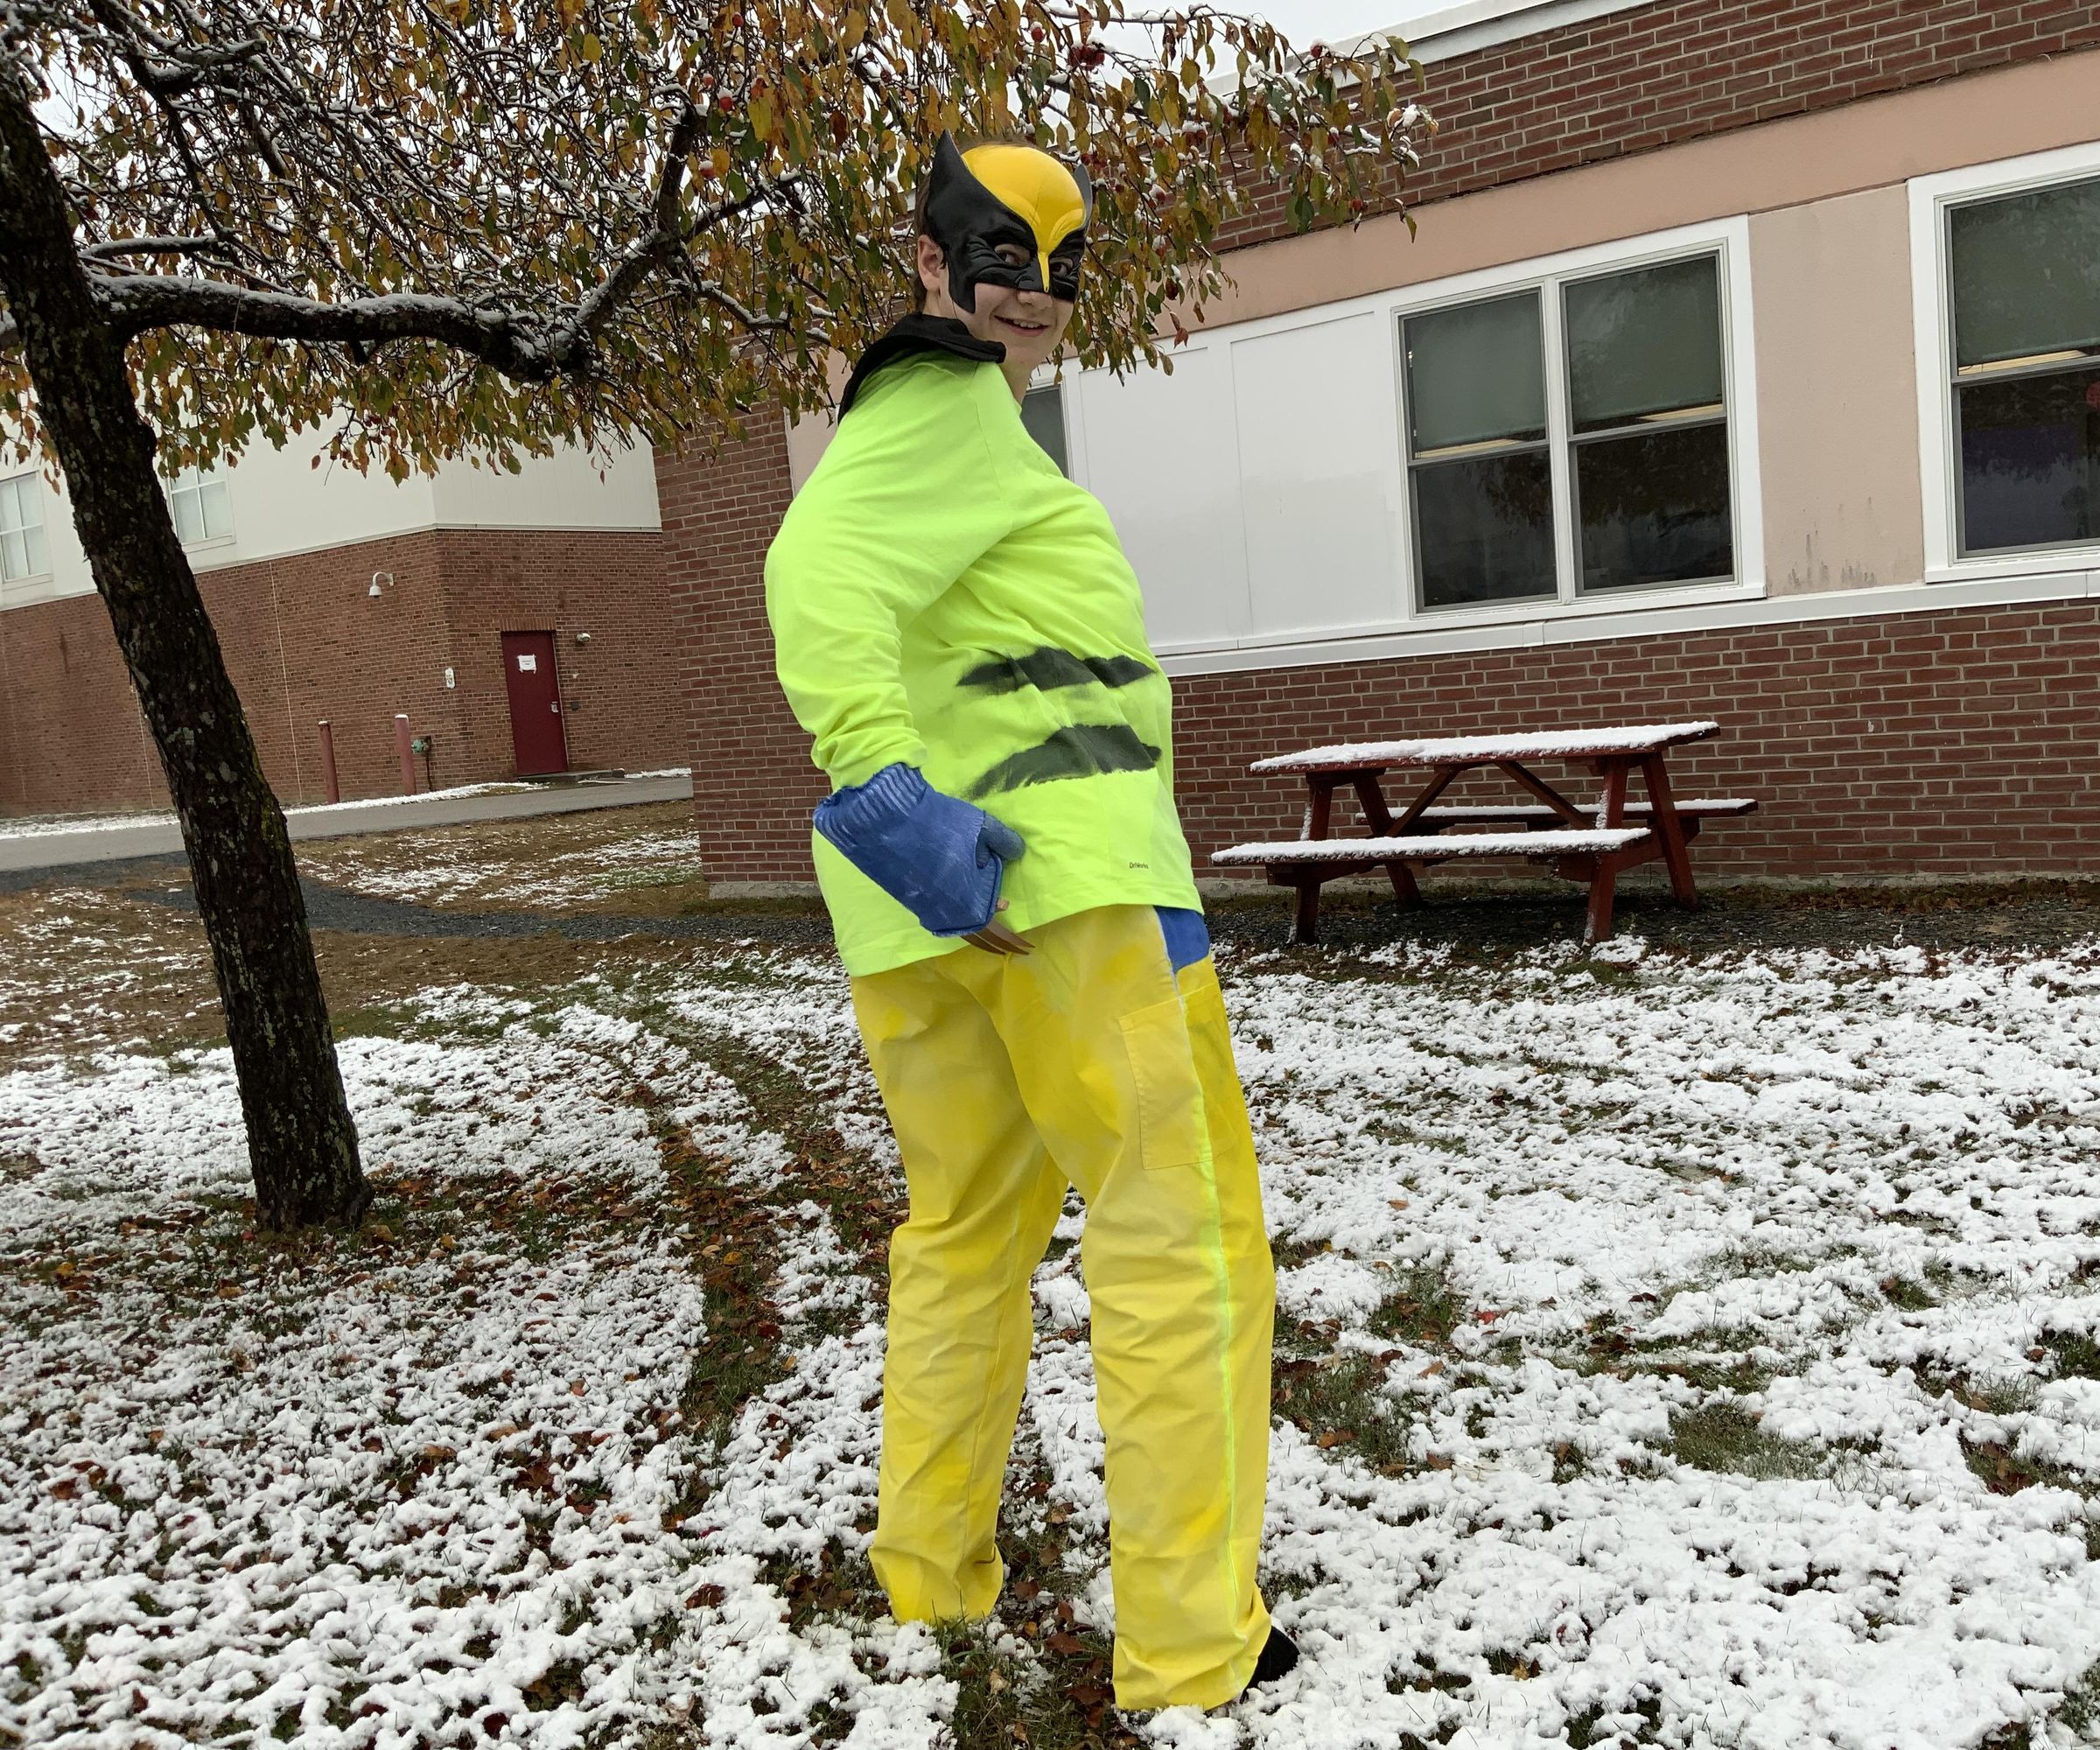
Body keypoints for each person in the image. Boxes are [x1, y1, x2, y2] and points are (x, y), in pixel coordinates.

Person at [762, 132, 1295, 1713]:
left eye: (1061, 263)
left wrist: (907, 835)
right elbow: (812, 576)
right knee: (1180, 1252)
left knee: (967, 1242)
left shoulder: (941, 428)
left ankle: (931, 1568)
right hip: (1058, 903)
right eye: (1003, 254)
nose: (1037, 294)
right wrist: (882, 791)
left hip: (935, 927)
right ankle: (1197, 1651)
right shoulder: (941, 412)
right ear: (929, 262)